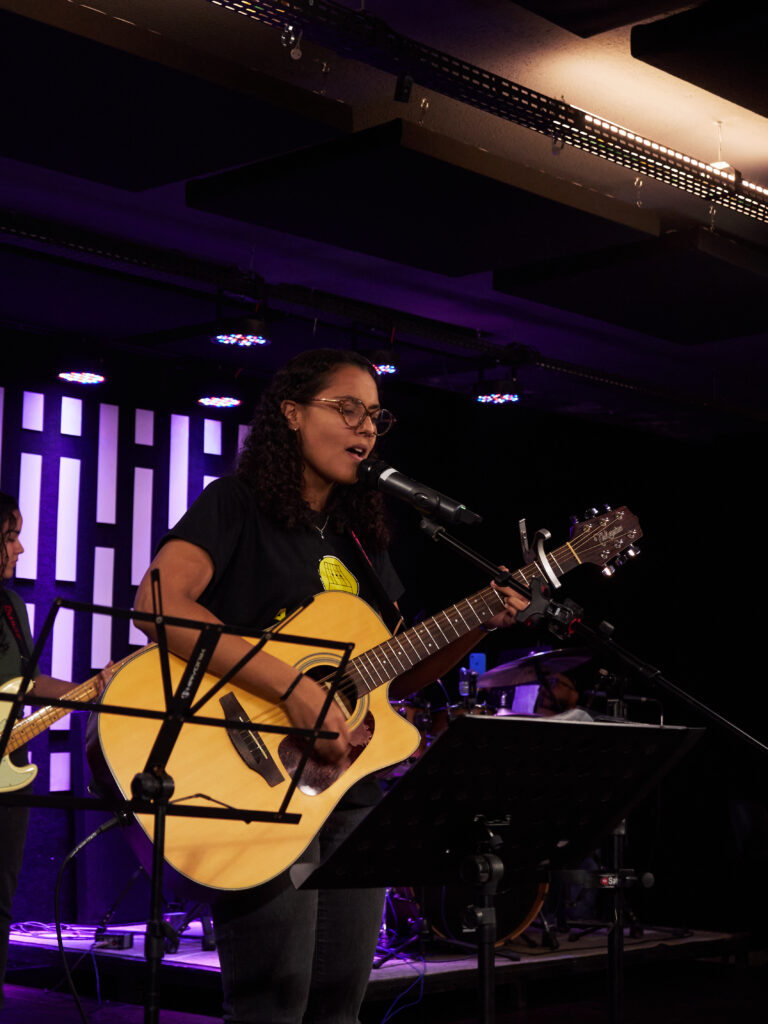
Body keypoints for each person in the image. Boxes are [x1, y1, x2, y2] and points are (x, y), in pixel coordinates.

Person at [133, 349, 527, 1024]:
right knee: (273, 1000)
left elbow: (393, 675)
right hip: (254, 777)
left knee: (341, 1001)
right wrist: (292, 686)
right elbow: (159, 604)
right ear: (291, 414)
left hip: (347, 787)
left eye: (375, 415)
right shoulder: (235, 503)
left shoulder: (360, 538)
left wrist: (479, 621)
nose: (366, 427)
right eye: (347, 408)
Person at [0, 492, 111, 1007]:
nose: (20, 549)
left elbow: (25, 683)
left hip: (10, 774)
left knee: (2, 898)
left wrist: (96, 689)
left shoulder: (11, 606)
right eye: (10, 536)